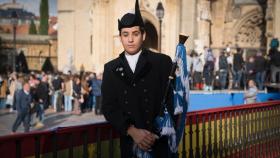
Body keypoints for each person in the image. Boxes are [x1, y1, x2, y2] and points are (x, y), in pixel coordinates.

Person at [101, 0, 174, 157]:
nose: (130, 39)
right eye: (125, 34)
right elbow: (108, 107)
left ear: (143, 35)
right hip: (129, 145)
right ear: (120, 37)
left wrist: (155, 134)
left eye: (135, 34)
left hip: (160, 144)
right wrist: (132, 131)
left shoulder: (162, 62)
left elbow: (171, 100)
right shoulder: (110, 68)